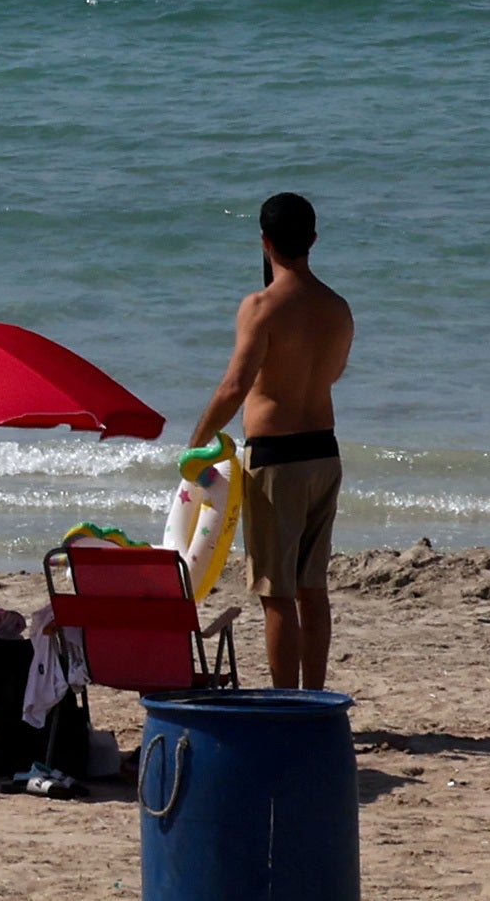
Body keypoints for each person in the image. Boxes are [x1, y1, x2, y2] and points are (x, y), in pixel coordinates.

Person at [191, 189, 352, 693]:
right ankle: (315, 696)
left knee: (276, 593)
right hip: (324, 452)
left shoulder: (261, 306)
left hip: (277, 459)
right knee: (312, 588)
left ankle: (287, 703)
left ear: (264, 242)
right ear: (313, 240)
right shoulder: (337, 307)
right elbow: (333, 373)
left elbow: (235, 386)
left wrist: (195, 444)